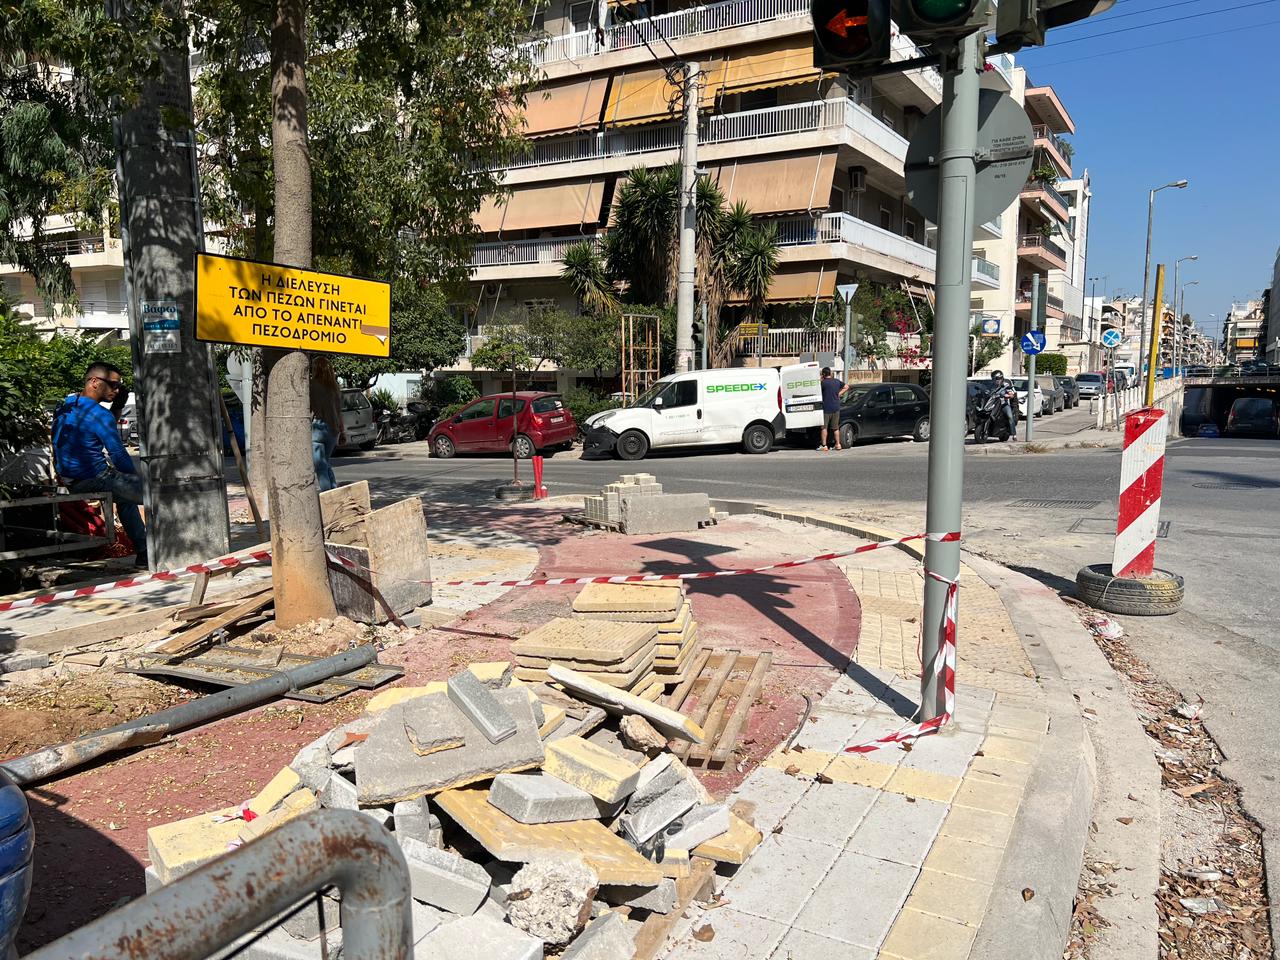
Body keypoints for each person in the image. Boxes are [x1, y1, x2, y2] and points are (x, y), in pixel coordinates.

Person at [52, 363, 148, 566]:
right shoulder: (99, 414)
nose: (117, 390)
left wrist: (117, 407)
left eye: (119, 386)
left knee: (126, 501)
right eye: (113, 384)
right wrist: (133, 480)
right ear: (94, 381)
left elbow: (95, 427)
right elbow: (118, 454)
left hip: (71, 479)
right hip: (95, 478)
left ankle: (144, 552)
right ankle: (166, 548)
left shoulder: (65, 405)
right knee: (157, 495)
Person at [310, 357, 344, 492]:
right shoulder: (334, 387)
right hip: (333, 429)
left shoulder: (312, 385)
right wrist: (342, 430)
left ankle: (327, 494)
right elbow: (339, 411)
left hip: (318, 426)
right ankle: (334, 491)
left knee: (320, 466)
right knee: (326, 462)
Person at [817, 367, 851, 452]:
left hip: (826, 408)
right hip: (836, 407)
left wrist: (820, 380)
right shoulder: (836, 381)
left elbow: (818, 392)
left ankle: (824, 446)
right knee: (835, 428)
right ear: (830, 373)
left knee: (824, 427)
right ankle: (838, 444)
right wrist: (838, 394)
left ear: (823, 374)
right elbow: (847, 387)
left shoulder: (823, 383)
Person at [988, 370, 1019, 439]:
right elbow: (987, 391)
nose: (995, 381)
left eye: (996, 379)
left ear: (1000, 378)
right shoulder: (991, 385)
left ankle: (1014, 434)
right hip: (993, 403)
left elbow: (1012, 394)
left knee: (1010, 416)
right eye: (993, 379)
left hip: (1003, 404)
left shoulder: (1006, 384)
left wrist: (1007, 396)